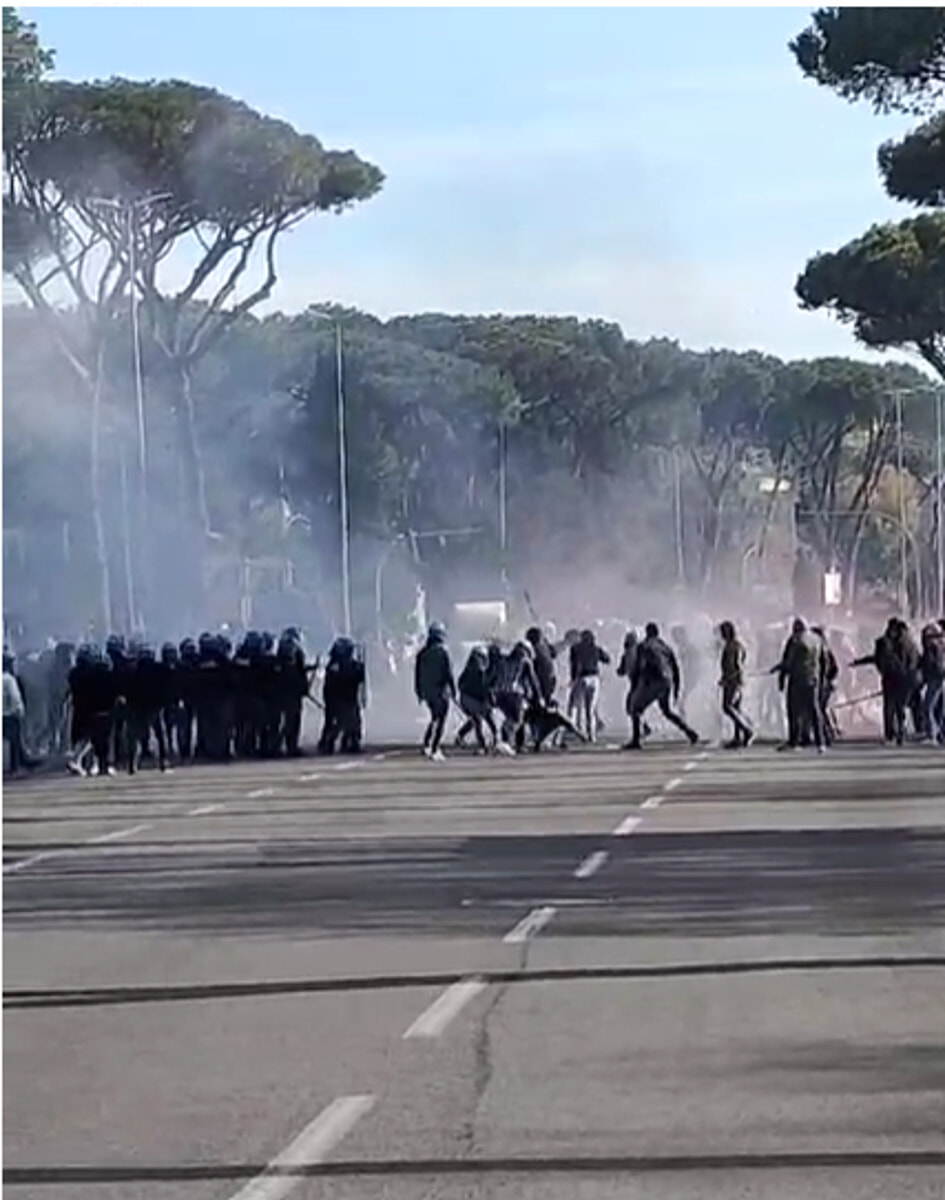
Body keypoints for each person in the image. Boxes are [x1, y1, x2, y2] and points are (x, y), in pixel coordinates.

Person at [626, 623, 699, 750]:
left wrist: (634, 688)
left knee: (635, 709)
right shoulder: (665, 647)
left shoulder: (643, 646)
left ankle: (636, 740)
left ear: (647, 633)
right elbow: (675, 668)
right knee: (667, 711)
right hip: (667, 681)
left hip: (653, 680)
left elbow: (638, 668)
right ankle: (690, 732)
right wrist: (676, 688)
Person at [776, 618, 826, 752]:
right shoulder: (817, 640)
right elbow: (824, 661)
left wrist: (780, 671)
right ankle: (820, 742)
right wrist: (822, 679)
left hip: (797, 679)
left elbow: (789, 662)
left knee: (794, 711)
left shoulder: (796, 641)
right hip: (813, 679)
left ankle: (794, 742)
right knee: (815, 711)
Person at [414, 622, 455, 761]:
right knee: (441, 720)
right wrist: (453, 690)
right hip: (441, 692)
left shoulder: (422, 653)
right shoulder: (443, 651)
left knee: (434, 718)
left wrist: (419, 692)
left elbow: (417, 674)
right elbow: (449, 673)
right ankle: (435, 748)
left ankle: (427, 744)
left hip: (427, 693)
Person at [568, 629, 610, 744]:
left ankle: (574, 731)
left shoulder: (575, 649)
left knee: (574, 706)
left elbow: (574, 665)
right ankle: (591, 736)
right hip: (594, 679)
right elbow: (607, 659)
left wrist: (572, 679)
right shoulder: (596, 648)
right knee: (590, 709)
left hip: (581, 678)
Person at [455, 645, 498, 753]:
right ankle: (486, 744)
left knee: (475, 720)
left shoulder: (468, 668)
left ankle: (462, 737)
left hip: (467, 699)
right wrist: (490, 699)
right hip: (475, 700)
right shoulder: (480, 670)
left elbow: (460, 683)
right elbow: (484, 687)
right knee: (482, 721)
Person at [718, 620, 754, 749]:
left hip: (733, 682)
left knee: (727, 707)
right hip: (735, 681)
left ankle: (747, 730)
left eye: (722, 632)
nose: (721, 635)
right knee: (736, 709)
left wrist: (729, 678)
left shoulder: (733, 646)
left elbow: (737, 665)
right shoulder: (735, 644)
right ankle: (738, 737)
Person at [3, 651, 28, 775]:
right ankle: (16, 767)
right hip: (9, 714)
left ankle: (22, 762)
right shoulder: (9, 679)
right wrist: (19, 710)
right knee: (14, 742)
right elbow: (15, 697)